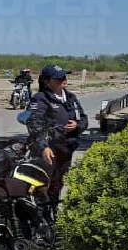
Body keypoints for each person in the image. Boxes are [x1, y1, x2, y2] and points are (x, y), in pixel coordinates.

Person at [24, 65, 88, 212]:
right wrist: (43, 147)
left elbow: (84, 119)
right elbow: (34, 124)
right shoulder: (40, 99)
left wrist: (77, 125)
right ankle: (40, 215)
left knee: (57, 185)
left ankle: (52, 213)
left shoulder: (71, 98)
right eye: (58, 78)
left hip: (66, 150)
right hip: (48, 151)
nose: (63, 80)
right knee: (42, 187)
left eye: (64, 76)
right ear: (47, 82)